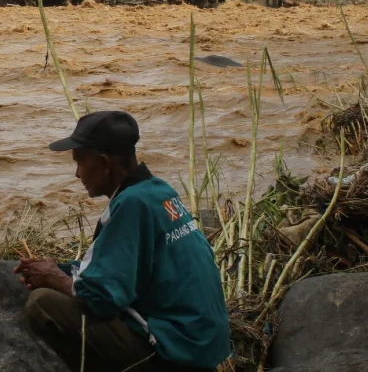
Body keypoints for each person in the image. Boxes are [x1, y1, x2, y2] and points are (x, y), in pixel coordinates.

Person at [16, 111, 231, 372]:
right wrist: (60, 269)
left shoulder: (131, 205)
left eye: (80, 163)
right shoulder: (157, 190)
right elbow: (120, 268)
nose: (76, 174)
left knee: (42, 305)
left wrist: (53, 278)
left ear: (105, 164)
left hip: (178, 350)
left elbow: (103, 298)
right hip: (203, 342)